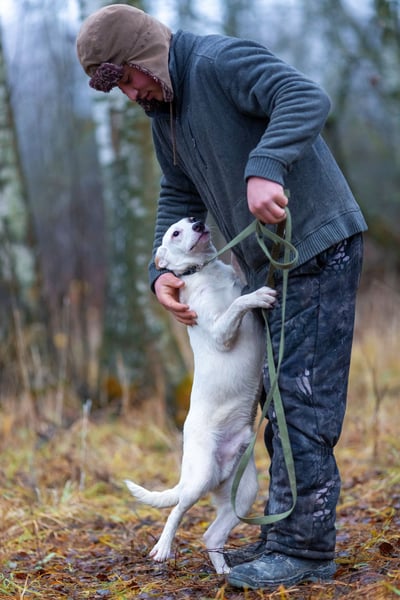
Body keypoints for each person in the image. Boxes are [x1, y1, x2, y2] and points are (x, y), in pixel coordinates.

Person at [76, 4, 367, 590]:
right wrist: (159, 272)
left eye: (128, 78)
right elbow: (177, 192)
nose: (131, 94)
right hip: (267, 267)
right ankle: (284, 535)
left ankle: (305, 550)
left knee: (301, 403)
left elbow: (304, 96)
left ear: (145, 55)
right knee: (277, 405)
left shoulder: (217, 61)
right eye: (118, 88)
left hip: (316, 242)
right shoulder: (165, 112)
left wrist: (266, 165)